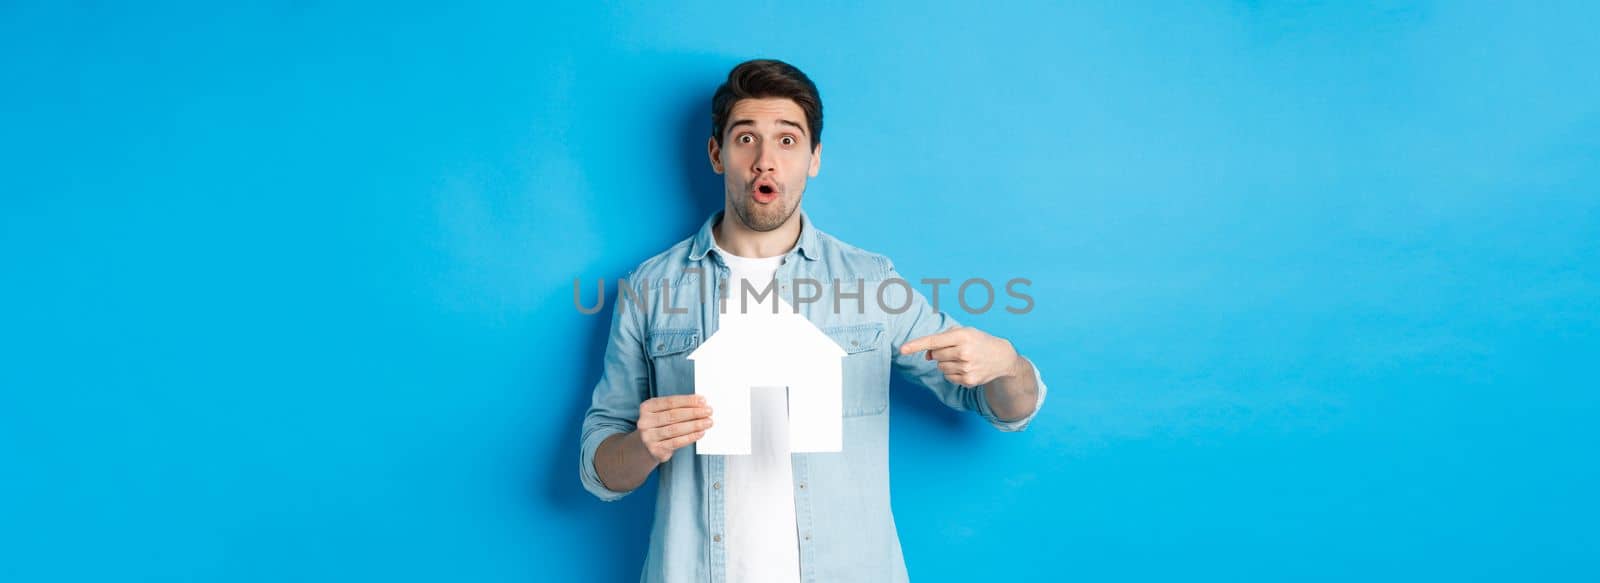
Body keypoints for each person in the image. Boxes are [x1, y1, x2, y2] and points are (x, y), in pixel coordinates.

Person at [579, 58, 1046, 582]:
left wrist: (1007, 366)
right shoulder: (649, 288)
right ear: (717, 154)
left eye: (786, 140)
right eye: (745, 139)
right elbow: (599, 467)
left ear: (814, 158)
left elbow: (1004, 408)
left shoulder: (871, 281)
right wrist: (642, 447)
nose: (764, 161)